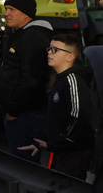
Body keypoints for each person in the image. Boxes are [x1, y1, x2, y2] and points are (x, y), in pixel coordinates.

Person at [18, 34, 95, 179]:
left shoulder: (73, 81)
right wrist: (44, 142)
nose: (49, 52)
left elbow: (78, 117)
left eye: (55, 50)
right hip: (61, 150)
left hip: (73, 152)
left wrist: (58, 143)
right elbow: (57, 118)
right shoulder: (60, 80)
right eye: (49, 48)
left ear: (70, 57)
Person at [0, 0, 53, 164]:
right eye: (6, 9)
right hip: (23, 114)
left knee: (24, 169)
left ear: (26, 13)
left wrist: (13, 111)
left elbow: (30, 80)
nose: (6, 14)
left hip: (26, 116)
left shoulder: (33, 36)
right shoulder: (23, 34)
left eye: (11, 9)